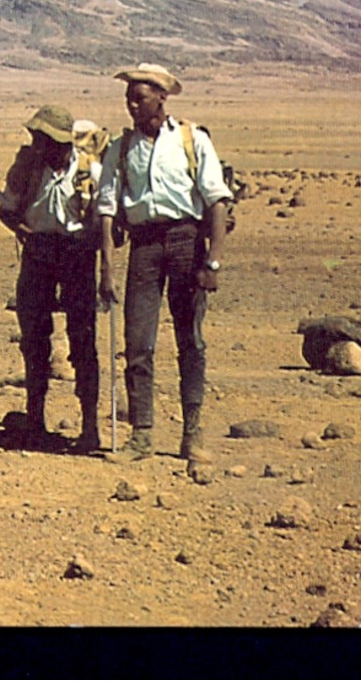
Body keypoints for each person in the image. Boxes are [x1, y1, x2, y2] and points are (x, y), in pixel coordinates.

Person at [95, 63, 232, 465]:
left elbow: (216, 200)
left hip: (187, 243)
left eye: (139, 98)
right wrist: (106, 268)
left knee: (191, 340)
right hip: (144, 247)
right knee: (138, 343)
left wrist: (214, 261)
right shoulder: (119, 149)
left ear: (162, 98)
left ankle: (193, 434)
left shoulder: (192, 140)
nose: (131, 105)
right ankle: (142, 435)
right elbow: (106, 209)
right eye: (128, 99)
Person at [0, 104, 102, 453]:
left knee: (83, 340)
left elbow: (105, 215)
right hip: (38, 252)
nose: (38, 145)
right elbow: (6, 209)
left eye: (45, 139)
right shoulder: (26, 168)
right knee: (35, 339)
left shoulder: (88, 168)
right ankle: (35, 420)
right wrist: (24, 232)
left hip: (77, 253)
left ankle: (90, 426)